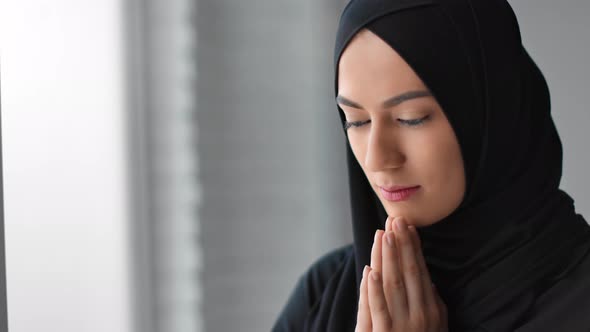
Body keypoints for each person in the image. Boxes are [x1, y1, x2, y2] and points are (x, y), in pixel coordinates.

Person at [272, 0, 590, 331]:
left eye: (411, 119)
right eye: (356, 121)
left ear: (492, 114)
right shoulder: (322, 293)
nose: (376, 158)